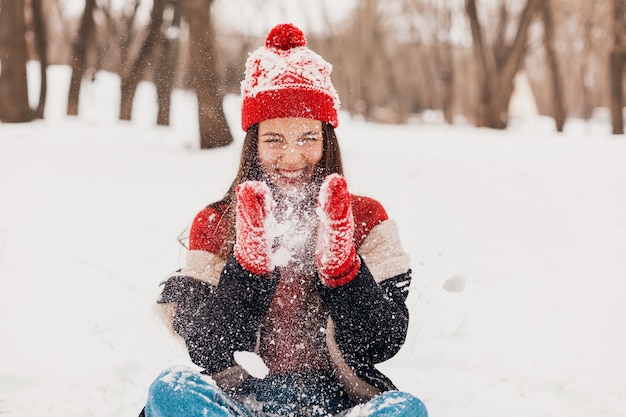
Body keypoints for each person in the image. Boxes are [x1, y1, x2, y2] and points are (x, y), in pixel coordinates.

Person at [142, 23, 428, 417]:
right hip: (240, 401)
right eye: (274, 140)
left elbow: (383, 340)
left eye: (308, 138)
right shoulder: (216, 222)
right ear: (253, 145)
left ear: (326, 141)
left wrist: (344, 271)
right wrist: (249, 268)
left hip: (339, 403)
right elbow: (208, 348)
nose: (292, 159)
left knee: (405, 410)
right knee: (171, 390)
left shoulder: (365, 218)